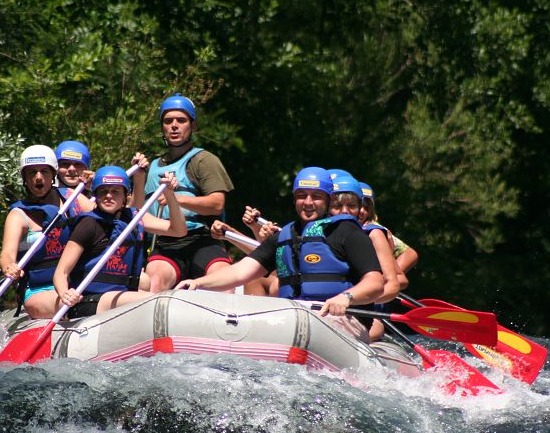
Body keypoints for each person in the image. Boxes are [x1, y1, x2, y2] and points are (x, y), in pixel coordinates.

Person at [176, 167, 384, 342]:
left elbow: (375, 282)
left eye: (316, 196)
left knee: (307, 331)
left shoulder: (347, 232)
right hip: (294, 318)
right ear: (294, 199)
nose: (308, 202)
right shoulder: (284, 236)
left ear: (328, 200)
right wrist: (198, 283)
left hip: (342, 318)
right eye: (302, 196)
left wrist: (346, 298)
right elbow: (241, 271)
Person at [53, 166, 187, 318]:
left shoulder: (134, 218)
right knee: (154, 300)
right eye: (103, 191)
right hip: (88, 299)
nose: (108, 196)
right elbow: (61, 272)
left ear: (125, 195)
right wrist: (65, 293)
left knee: (153, 292)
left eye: (115, 191)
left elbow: (178, 230)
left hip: (121, 294)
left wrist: (169, 194)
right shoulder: (88, 224)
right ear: (95, 194)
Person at [142, 93, 235, 292]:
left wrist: (175, 198)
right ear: (162, 127)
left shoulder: (204, 160)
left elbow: (217, 204)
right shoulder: (151, 166)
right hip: (165, 242)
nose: (174, 126)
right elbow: (137, 208)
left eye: (181, 120)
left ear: (193, 126)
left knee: (223, 279)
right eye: (168, 121)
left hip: (202, 239)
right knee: (154, 282)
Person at [0, 145, 95, 319]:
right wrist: (9, 266)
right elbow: (7, 254)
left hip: (75, 281)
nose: (38, 177)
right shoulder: (18, 215)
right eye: (32, 172)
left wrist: (97, 187)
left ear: (53, 175)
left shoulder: (71, 197)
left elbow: (107, 217)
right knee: (76, 303)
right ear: (24, 178)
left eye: (44, 171)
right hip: (40, 290)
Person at [329, 177, 403, 341]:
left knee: (376, 328)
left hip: (359, 311)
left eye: (352, 206)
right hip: (323, 310)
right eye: (338, 206)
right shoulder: (318, 232)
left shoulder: (373, 233)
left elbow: (396, 282)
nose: (345, 211)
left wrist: (357, 298)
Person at [359, 182, 419, 284]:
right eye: (358, 205)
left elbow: (410, 254)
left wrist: (388, 276)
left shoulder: (373, 229)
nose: (362, 211)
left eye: (366, 207)